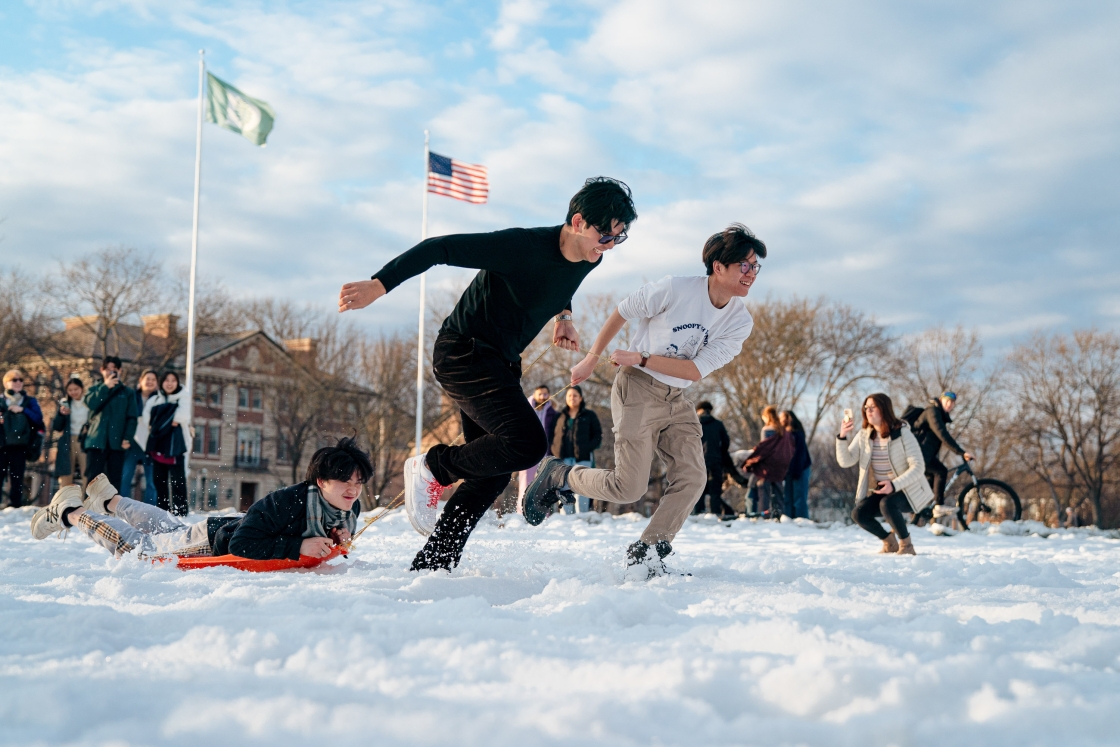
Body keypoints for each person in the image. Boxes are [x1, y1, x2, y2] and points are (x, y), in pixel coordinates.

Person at [339, 177, 638, 570]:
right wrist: (380, 284)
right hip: (464, 351)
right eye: (606, 235)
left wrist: (564, 315)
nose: (610, 246)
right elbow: (439, 248)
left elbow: (562, 280)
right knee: (526, 443)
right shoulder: (521, 246)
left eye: (620, 237)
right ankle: (434, 466)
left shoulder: (590, 256)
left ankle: (434, 563)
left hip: (500, 361)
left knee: (493, 472)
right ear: (579, 222)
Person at [525, 223, 764, 575]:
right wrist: (592, 358)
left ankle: (648, 551)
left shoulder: (739, 321)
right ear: (719, 266)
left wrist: (642, 357)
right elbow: (623, 311)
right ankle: (560, 474)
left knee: (693, 478)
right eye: (744, 265)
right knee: (628, 487)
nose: (751, 273)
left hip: (675, 396)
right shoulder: (675, 289)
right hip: (637, 388)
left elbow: (696, 370)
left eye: (755, 266)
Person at [30, 438, 372, 560]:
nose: (353, 490)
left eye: (358, 482)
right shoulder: (287, 501)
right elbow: (242, 544)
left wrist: (337, 537)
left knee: (168, 530)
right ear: (321, 480)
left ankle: (109, 500)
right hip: (215, 542)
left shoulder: (347, 505)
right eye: (344, 481)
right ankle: (71, 511)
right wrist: (297, 547)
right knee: (138, 550)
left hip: (214, 531)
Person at [836, 393, 933, 555]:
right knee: (859, 513)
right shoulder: (864, 436)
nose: (868, 411)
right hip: (884, 489)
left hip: (908, 490)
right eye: (866, 407)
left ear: (884, 409)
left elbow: (918, 467)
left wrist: (894, 485)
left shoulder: (902, 434)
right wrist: (842, 436)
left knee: (887, 504)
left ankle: (907, 546)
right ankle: (890, 542)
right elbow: (845, 461)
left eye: (872, 407)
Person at [136, 371, 191, 516]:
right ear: (162, 383)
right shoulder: (155, 399)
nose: (170, 383)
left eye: (173, 380)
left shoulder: (183, 397)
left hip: (176, 446)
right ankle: (163, 512)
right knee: (159, 481)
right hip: (157, 446)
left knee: (177, 482)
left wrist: (160, 418)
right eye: (167, 380)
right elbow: (148, 419)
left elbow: (181, 416)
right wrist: (168, 418)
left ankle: (181, 513)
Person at [82, 357, 139, 492]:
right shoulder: (94, 389)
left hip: (117, 442)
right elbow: (91, 403)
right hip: (96, 440)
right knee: (93, 479)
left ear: (120, 371)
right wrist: (105, 387)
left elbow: (132, 418)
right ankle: (89, 509)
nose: (111, 372)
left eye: (114, 369)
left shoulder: (128, 393)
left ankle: (110, 510)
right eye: (107, 369)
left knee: (114, 480)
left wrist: (128, 437)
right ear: (102, 370)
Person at [909, 391, 974, 510]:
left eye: (952, 402)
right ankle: (938, 506)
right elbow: (942, 434)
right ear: (940, 400)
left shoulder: (939, 413)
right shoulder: (932, 412)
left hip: (924, 454)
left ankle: (920, 511)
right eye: (947, 401)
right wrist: (961, 453)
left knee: (930, 483)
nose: (949, 404)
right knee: (941, 471)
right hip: (919, 454)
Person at [692, 401, 747, 518]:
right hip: (715, 462)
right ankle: (715, 514)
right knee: (715, 491)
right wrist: (718, 452)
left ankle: (698, 514)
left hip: (698, 462)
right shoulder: (718, 424)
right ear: (709, 410)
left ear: (699, 410)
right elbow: (726, 442)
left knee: (698, 489)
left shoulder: (694, 424)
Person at [551, 386, 602, 514]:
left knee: (582, 486)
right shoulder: (560, 416)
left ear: (581, 398)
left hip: (583, 457)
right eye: (569, 396)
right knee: (564, 486)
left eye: (575, 396)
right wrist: (555, 450)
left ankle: (582, 516)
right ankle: (566, 517)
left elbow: (597, 435)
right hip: (563, 458)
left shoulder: (589, 415)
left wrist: (588, 448)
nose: (572, 398)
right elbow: (551, 435)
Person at [0, 369, 44, 508]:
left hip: (20, 445)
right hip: (1, 444)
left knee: (17, 477)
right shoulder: (1, 401)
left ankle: (15, 506)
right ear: (6, 383)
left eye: (20, 380)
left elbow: (39, 420)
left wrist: (23, 410)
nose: (18, 383)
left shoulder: (29, 401)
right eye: (14, 380)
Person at [741, 405, 793, 519]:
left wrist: (751, 461)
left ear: (767, 417)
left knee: (763, 490)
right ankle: (780, 516)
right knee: (778, 492)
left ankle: (764, 515)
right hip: (781, 466)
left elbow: (764, 448)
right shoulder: (784, 431)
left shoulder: (767, 429)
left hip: (767, 466)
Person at [516, 384, 560, 511]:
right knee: (525, 483)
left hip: (545, 452)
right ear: (534, 395)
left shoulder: (553, 413)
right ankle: (522, 511)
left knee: (542, 483)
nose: (542, 396)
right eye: (539, 394)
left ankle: (541, 511)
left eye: (545, 394)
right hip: (527, 451)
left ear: (549, 395)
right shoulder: (525, 409)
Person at [120, 369, 158, 504]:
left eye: (153, 380)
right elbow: (125, 418)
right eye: (147, 379)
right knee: (125, 477)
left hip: (151, 444)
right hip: (133, 443)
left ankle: (151, 510)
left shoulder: (159, 399)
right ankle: (123, 508)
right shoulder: (131, 396)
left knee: (151, 480)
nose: (150, 382)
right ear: (140, 381)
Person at [52, 375, 89, 491]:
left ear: (82, 389)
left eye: (76, 389)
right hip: (68, 440)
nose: (73, 392)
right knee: (66, 473)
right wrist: (61, 414)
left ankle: (87, 503)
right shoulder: (65, 403)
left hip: (85, 440)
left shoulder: (89, 402)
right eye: (70, 390)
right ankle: (66, 503)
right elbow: (56, 427)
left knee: (87, 473)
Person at [781, 410, 812, 519]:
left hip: (800, 469)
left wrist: (797, 471)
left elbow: (800, 455)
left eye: (782, 417)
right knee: (788, 498)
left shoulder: (797, 434)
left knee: (799, 498)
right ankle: (789, 520)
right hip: (789, 471)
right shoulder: (785, 435)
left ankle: (801, 521)